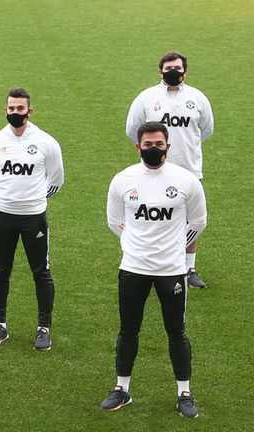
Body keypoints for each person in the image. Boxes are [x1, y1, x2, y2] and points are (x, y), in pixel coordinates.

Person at [102, 122, 206, 418]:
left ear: (168, 146)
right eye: (147, 144)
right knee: (128, 329)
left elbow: (198, 222)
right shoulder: (123, 180)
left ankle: (184, 393)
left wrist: (174, 248)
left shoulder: (186, 181)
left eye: (159, 144)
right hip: (133, 268)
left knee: (176, 332)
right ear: (138, 147)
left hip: (171, 270)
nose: (153, 148)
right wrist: (135, 245)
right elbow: (114, 221)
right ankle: (122, 389)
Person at [0, 88, 64, 351]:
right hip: (2, 215)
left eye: (20, 109)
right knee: (0, 271)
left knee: (41, 273)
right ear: (5, 110)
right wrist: (9, 197)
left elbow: (56, 179)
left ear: (30, 111)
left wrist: (35, 199)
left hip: (34, 218)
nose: (15, 113)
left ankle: (44, 328)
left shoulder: (46, 142)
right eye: (11, 108)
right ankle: (0, 325)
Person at [126, 51, 214, 288]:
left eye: (177, 67)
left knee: (191, 218)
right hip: (152, 169)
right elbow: (132, 129)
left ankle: (189, 268)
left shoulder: (197, 98)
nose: (173, 71)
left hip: (189, 170)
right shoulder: (146, 98)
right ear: (160, 71)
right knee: (152, 213)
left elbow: (206, 130)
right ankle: (149, 264)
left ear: (185, 70)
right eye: (168, 68)